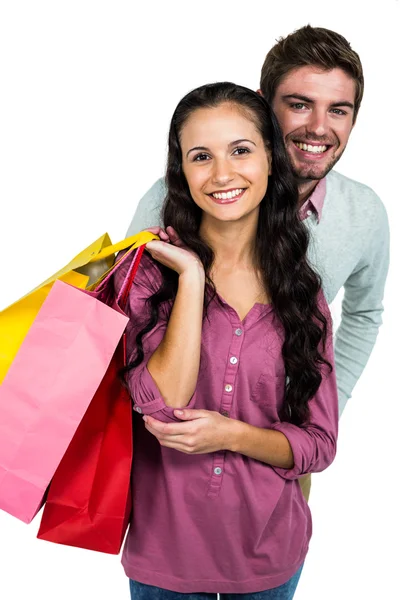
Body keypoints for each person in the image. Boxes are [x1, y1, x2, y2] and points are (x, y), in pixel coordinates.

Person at [125, 26, 389, 502]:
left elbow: (366, 313)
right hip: (179, 437)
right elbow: (129, 311)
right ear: (264, 106)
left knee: (270, 557)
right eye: (300, 103)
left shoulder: (364, 213)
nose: (318, 127)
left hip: (280, 441)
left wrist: (327, 408)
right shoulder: (178, 198)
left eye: (339, 110)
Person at [114, 82, 338, 599]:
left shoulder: (303, 294)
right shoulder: (150, 277)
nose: (222, 174)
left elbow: (319, 445)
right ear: (181, 172)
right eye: (201, 156)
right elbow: (163, 409)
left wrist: (229, 434)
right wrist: (192, 279)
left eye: (240, 150)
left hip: (270, 553)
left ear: (270, 159)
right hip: (164, 558)